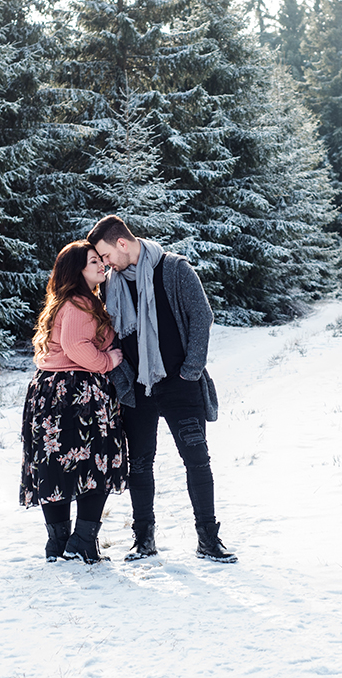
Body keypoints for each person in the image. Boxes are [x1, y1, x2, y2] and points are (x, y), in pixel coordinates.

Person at [86, 215, 237, 563]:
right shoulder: (112, 284)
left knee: (197, 461)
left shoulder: (174, 270)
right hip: (137, 388)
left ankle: (208, 540)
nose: (105, 264)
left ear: (122, 243)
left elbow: (202, 316)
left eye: (106, 255)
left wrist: (191, 370)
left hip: (181, 384)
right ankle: (144, 540)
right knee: (140, 464)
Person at [21, 240, 128, 564]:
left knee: (55, 466)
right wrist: (108, 360)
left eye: (100, 260)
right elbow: (76, 346)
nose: (101, 266)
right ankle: (81, 540)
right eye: (93, 262)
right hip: (77, 393)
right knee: (95, 463)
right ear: (77, 271)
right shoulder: (81, 303)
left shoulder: (65, 302)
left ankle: (58, 543)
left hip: (50, 393)